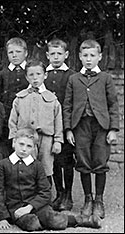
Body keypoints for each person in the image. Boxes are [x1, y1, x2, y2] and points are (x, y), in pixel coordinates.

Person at [0, 128, 101, 231]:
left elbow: (45, 191)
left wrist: (30, 206)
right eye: (21, 144)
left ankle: (81, 220)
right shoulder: (4, 164)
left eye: (29, 146)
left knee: (53, 219)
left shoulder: (37, 165)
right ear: (14, 143)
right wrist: (2, 217)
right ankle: (43, 222)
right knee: (32, 224)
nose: (24, 149)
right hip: (16, 208)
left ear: (33, 148)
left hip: (36, 205)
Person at [63, 39, 120, 219]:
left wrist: (113, 129)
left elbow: (113, 105)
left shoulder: (105, 78)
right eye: (85, 55)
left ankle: (99, 201)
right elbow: (67, 105)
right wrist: (68, 129)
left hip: (101, 127)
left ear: (100, 57)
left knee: (100, 163)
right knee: (84, 163)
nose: (88, 59)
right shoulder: (74, 78)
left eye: (92, 56)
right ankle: (88, 200)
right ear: (79, 57)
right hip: (80, 126)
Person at [8, 59, 63, 186]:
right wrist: (14, 138)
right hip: (26, 140)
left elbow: (58, 122)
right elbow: (13, 121)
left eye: (38, 74)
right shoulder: (20, 98)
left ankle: (45, 199)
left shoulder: (52, 99)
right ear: (26, 77)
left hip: (46, 140)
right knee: (27, 168)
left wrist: (58, 141)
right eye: (31, 75)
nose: (35, 78)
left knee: (46, 169)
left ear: (45, 75)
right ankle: (27, 199)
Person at [44, 38, 77, 211]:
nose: (56, 57)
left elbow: (74, 103)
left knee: (67, 161)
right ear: (47, 55)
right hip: (49, 126)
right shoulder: (44, 75)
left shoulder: (71, 75)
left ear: (66, 55)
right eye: (53, 54)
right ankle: (59, 192)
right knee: (54, 161)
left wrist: (70, 127)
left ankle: (68, 195)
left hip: (66, 125)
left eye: (59, 54)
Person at [0, 37, 29, 153]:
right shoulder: (3, 73)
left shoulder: (30, 71)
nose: (14, 55)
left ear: (26, 53)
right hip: (8, 117)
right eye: (11, 52)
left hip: (27, 116)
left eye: (18, 52)